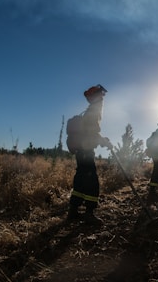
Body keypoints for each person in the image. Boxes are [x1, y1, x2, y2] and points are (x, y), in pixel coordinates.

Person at [67, 84, 113, 225]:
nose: (103, 98)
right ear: (95, 97)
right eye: (101, 95)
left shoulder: (90, 110)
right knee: (92, 181)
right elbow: (92, 133)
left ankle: (73, 211)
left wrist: (101, 140)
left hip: (82, 151)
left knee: (81, 180)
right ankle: (89, 213)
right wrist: (103, 141)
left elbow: (92, 133)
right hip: (85, 151)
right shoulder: (93, 111)